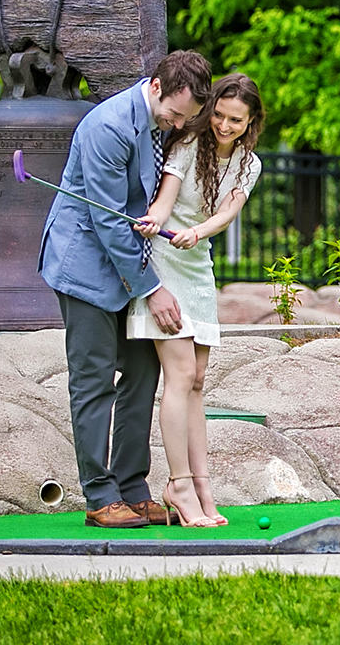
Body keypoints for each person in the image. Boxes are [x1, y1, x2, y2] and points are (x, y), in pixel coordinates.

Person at [38, 49, 209, 529]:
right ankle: (99, 495)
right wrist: (154, 289)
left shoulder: (161, 124)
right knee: (93, 380)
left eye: (186, 118)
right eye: (175, 114)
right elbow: (109, 222)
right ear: (156, 86)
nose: (177, 125)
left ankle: (133, 487)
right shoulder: (108, 127)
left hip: (130, 267)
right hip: (87, 268)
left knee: (141, 373)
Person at [130, 72, 264, 528]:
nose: (225, 126)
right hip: (166, 261)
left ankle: (203, 484)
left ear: (250, 122)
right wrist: (154, 221)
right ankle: (180, 484)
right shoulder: (188, 144)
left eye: (236, 121)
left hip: (197, 260)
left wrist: (198, 233)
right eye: (221, 116)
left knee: (199, 379)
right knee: (181, 375)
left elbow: (226, 213)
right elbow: (166, 201)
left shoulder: (249, 163)